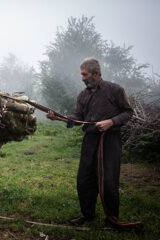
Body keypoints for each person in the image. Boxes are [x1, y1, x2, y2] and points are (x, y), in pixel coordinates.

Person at [46, 58, 133, 226]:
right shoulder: (83, 95)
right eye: (81, 75)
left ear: (96, 73)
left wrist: (111, 122)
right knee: (84, 180)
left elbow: (128, 112)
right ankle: (87, 215)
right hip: (90, 141)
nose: (82, 78)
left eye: (84, 74)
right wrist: (59, 118)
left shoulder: (115, 90)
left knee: (108, 181)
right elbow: (78, 117)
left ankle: (112, 218)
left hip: (109, 142)